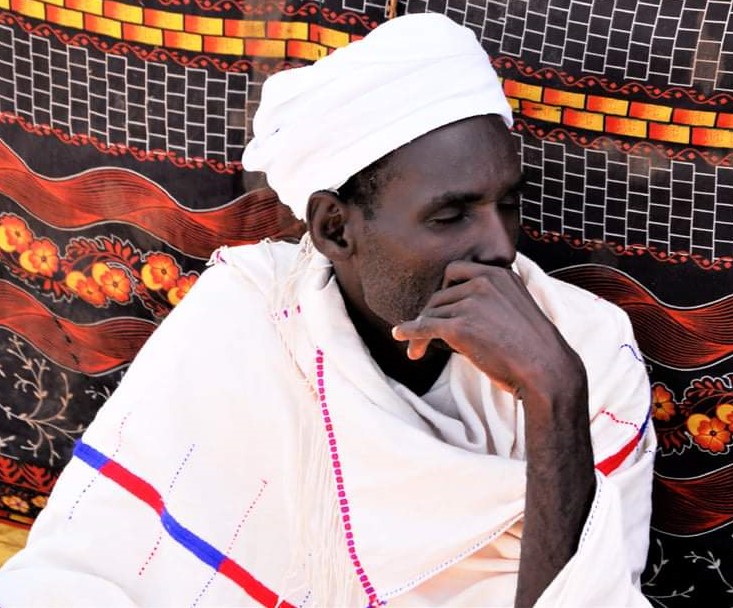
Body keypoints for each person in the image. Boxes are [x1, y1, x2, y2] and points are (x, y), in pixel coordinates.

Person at [0, 13, 654, 608]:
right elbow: (92, 571)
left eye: (506, 202)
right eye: (452, 214)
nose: (499, 245)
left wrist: (554, 399)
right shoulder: (250, 316)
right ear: (335, 229)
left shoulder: (585, 350)